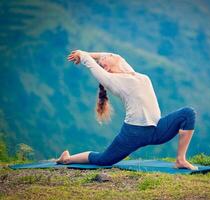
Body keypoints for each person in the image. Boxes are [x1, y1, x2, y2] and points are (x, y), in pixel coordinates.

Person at [56, 50, 198, 170]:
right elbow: (92, 65)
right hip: (134, 132)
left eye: (108, 55)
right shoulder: (112, 79)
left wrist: (88, 53)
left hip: (157, 129)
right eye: (105, 58)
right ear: (106, 68)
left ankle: (180, 160)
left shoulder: (130, 72)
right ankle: (67, 159)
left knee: (188, 114)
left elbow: (109, 55)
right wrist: (82, 55)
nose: (108, 55)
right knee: (104, 159)